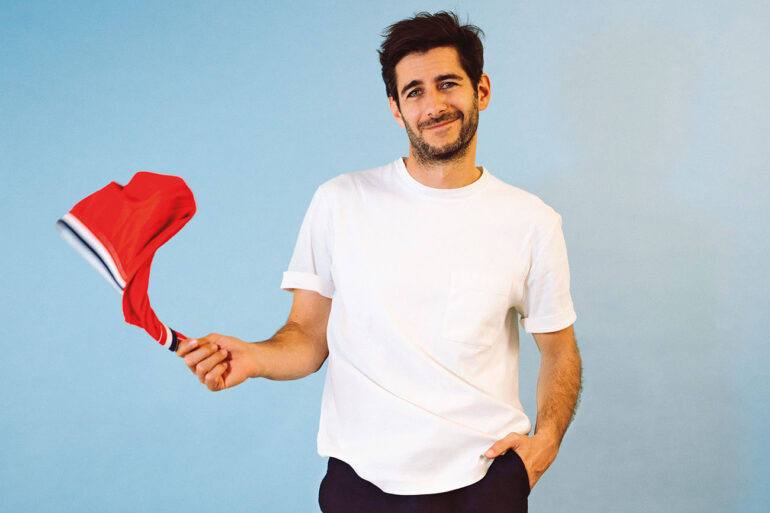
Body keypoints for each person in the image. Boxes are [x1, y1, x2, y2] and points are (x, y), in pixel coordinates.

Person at [176, 11, 581, 513]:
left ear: (481, 91)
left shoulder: (532, 221)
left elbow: (559, 350)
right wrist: (253, 358)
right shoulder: (340, 202)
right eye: (414, 91)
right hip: (360, 485)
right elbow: (307, 336)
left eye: (448, 83)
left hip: (483, 483)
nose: (433, 105)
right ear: (396, 108)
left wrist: (545, 445)